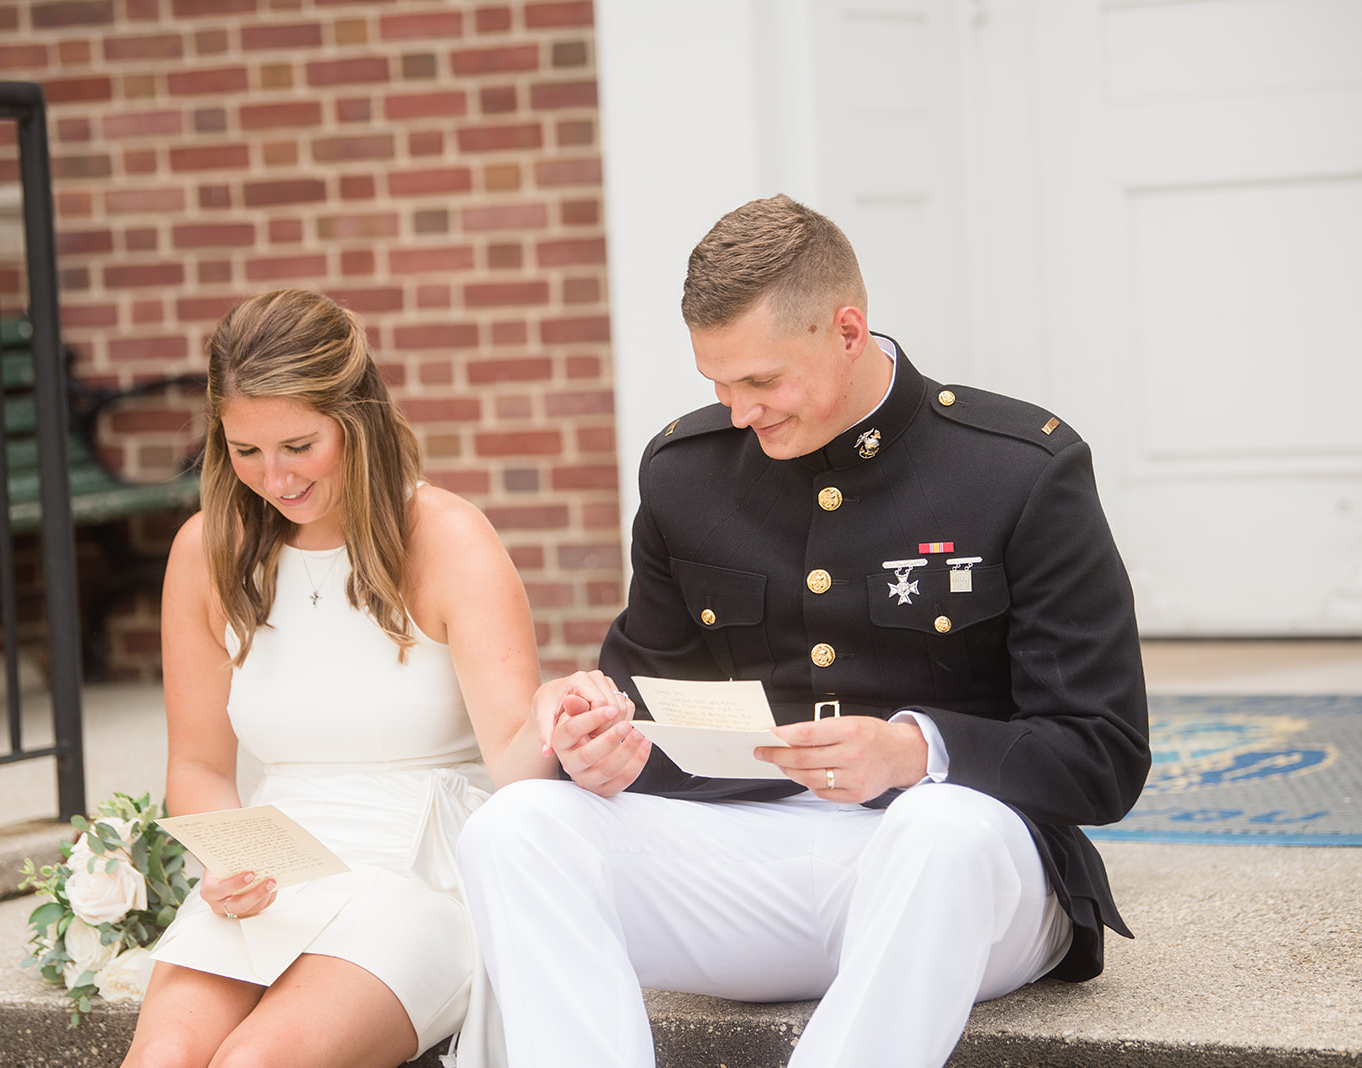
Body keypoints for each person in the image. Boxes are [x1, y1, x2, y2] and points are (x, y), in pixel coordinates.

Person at [455, 195, 1152, 1068]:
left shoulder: (1020, 470)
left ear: (849, 331)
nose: (738, 412)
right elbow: (648, 704)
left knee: (942, 830)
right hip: (751, 868)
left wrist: (916, 752)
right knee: (515, 827)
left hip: (974, 883)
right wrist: (606, 751)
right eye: (717, 383)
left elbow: (1105, 753)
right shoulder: (687, 476)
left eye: (761, 381)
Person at [122, 289, 572, 1068]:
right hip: (276, 865)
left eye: (299, 445)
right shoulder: (207, 551)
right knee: (161, 1058)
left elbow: (515, 760)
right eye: (245, 449)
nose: (274, 478)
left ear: (355, 420)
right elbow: (196, 766)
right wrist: (227, 858)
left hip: (421, 874)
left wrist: (566, 715)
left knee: (255, 1063)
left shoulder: (447, 539)